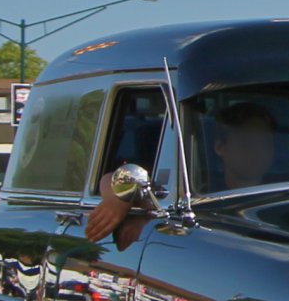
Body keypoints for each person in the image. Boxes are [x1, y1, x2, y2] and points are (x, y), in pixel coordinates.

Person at [86, 102, 278, 244]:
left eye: (265, 143)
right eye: (246, 144)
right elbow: (115, 179)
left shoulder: (283, 193)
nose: (258, 151)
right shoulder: (197, 188)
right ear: (220, 147)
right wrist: (119, 199)